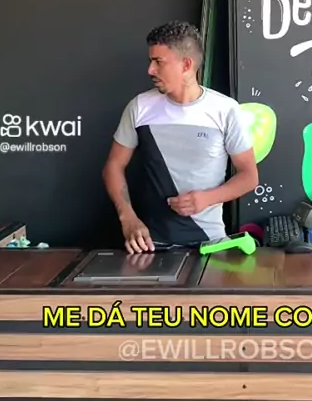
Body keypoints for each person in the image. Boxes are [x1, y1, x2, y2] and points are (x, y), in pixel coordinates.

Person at [102, 20, 258, 254]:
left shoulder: (226, 110)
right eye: (150, 61)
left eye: (158, 62)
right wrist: (128, 218)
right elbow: (113, 166)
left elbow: (249, 176)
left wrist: (207, 198)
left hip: (211, 244)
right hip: (150, 246)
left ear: (186, 65)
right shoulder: (139, 107)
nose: (150, 70)